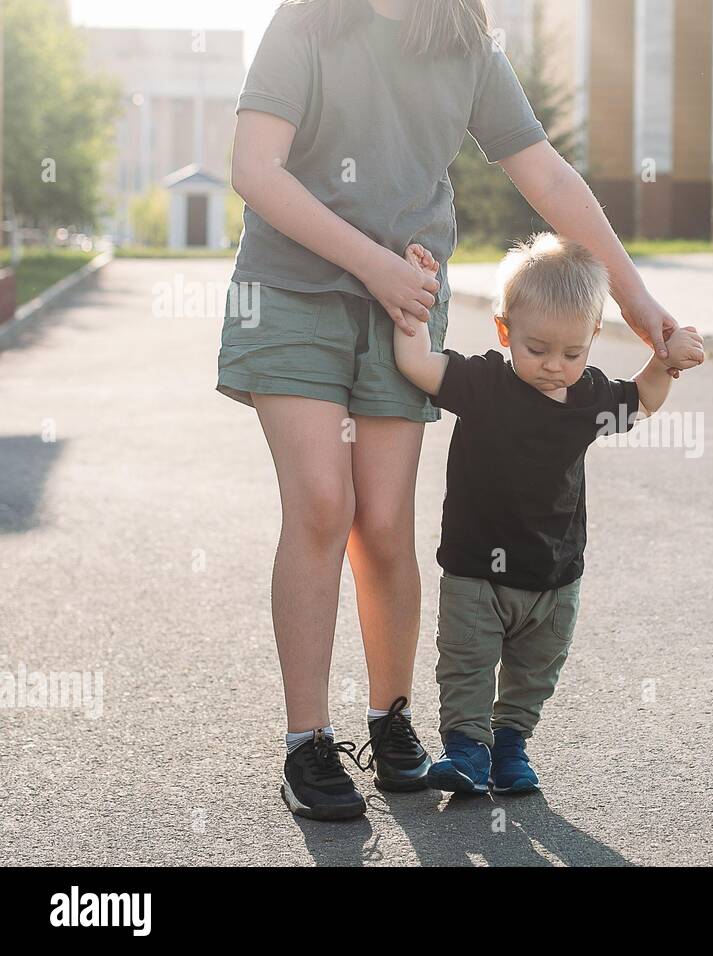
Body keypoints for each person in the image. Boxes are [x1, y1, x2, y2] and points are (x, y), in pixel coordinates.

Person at [219, 0, 682, 821]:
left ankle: (390, 721)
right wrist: (373, 264)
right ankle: (306, 743)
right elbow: (256, 168)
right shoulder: (307, 20)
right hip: (294, 293)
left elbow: (546, 175)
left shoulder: (464, 39)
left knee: (385, 523)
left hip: (403, 303)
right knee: (325, 505)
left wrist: (638, 301)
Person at [393, 234, 705, 793]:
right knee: (466, 662)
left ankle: (511, 745)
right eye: (537, 350)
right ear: (504, 331)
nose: (554, 367)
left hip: (554, 575)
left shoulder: (589, 399)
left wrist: (667, 358)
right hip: (474, 569)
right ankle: (466, 751)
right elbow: (414, 362)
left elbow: (645, 398)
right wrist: (415, 296)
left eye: (572, 353)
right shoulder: (483, 382)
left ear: (591, 341)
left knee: (534, 671)